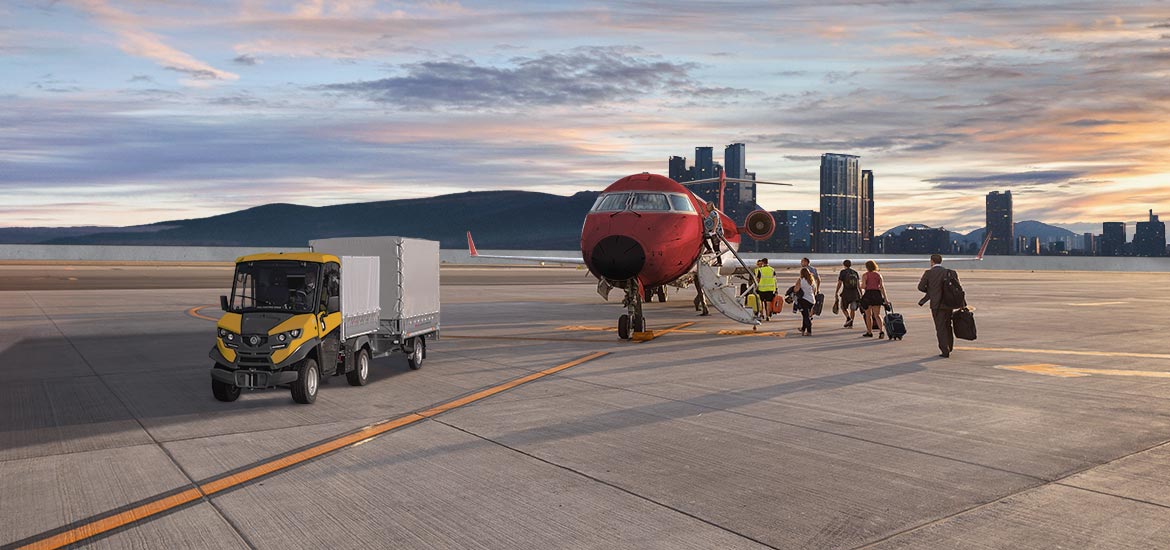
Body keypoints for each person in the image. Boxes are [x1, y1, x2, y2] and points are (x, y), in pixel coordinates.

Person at [918, 253, 957, 357]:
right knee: (948, 325)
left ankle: (945, 350)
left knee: (940, 327)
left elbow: (921, 287)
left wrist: (931, 291)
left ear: (932, 261)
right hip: (948, 304)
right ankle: (950, 346)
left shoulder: (928, 273)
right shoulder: (949, 272)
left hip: (936, 305)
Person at [860, 260, 888, 339]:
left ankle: (869, 332)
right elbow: (882, 287)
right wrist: (885, 299)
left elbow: (864, 286)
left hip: (868, 295)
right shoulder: (878, 275)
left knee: (868, 315)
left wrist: (860, 285)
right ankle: (881, 331)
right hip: (877, 295)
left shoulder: (865, 275)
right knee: (877, 315)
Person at [835, 260, 862, 328]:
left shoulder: (843, 272)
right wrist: (861, 293)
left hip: (846, 293)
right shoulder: (855, 272)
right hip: (855, 293)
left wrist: (837, 291)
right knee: (852, 309)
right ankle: (851, 323)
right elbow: (858, 285)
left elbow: (840, 283)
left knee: (843, 307)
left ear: (844, 265)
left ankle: (848, 318)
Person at [794, 267, 817, 335]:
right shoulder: (811, 280)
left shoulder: (800, 280)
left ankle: (809, 331)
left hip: (804, 299)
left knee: (805, 316)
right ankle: (803, 329)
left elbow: (796, 289)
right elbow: (814, 290)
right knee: (806, 315)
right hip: (812, 300)